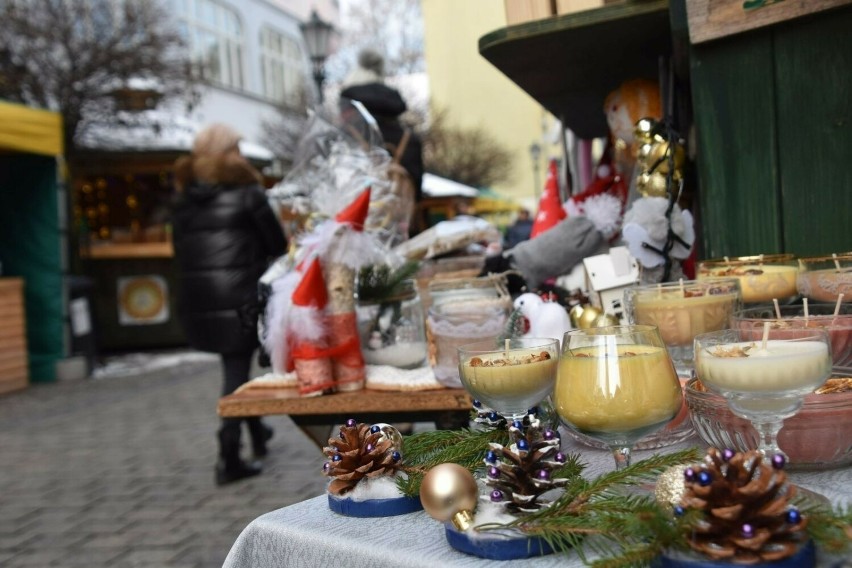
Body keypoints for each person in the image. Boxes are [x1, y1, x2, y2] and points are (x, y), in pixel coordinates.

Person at [172, 124, 287, 485]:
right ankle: (228, 454)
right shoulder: (248, 194)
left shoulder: (183, 199)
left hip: (201, 298)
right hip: (240, 297)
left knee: (235, 365)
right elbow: (277, 245)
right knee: (236, 373)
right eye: (236, 149)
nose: (242, 156)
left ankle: (257, 434)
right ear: (227, 155)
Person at [340, 49, 425, 233]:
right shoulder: (409, 138)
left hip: (353, 231)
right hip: (400, 229)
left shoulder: (345, 135)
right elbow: (417, 193)